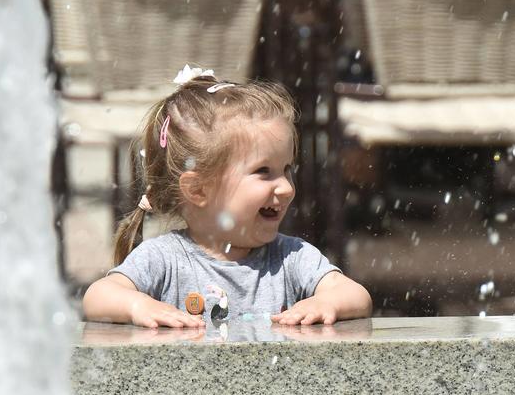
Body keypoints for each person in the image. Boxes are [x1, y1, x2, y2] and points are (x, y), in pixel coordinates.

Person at [83, 65, 372, 329]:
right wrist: (138, 305)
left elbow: (355, 294)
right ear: (198, 190)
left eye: (286, 170)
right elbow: (98, 296)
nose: (285, 188)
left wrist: (325, 302)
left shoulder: (291, 258)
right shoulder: (165, 259)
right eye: (264, 171)